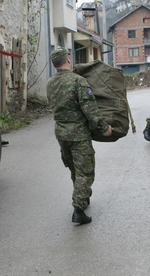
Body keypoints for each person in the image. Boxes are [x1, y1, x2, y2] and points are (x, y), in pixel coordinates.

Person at [46, 47, 113, 224]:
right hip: (78, 134)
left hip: (61, 134)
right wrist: (103, 127)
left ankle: (83, 196)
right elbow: (90, 110)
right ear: (68, 59)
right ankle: (78, 210)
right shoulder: (78, 81)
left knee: (75, 169)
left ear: (54, 64)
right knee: (85, 172)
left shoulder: (50, 83)